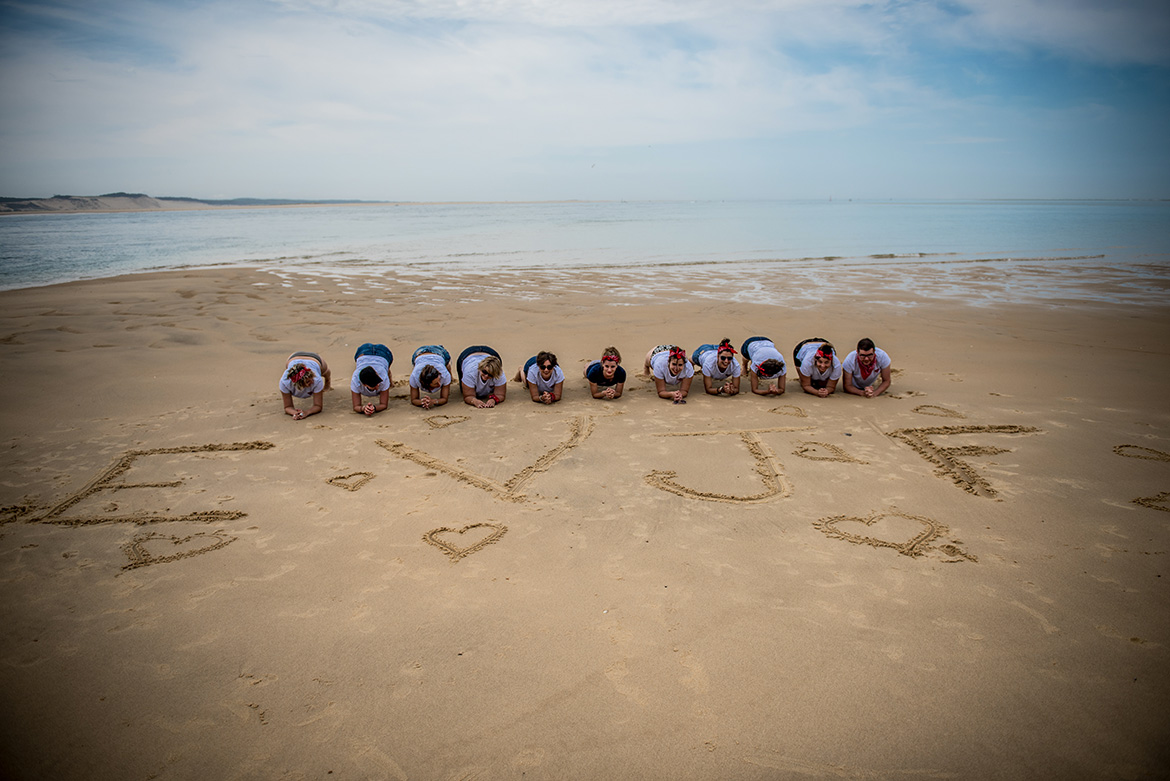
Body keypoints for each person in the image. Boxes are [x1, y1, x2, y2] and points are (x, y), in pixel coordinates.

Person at [278, 351, 331, 420]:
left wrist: (307, 412)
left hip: (314, 358)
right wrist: (294, 413)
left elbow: (318, 406)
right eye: (308, 381)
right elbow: (287, 407)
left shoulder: (316, 379)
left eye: (311, 378)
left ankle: (328, 380)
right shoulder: (284, 383)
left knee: (325, 372)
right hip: (293, 357)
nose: (312, 381)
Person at [350, 343, 392, 416]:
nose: (377, 387)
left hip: (383, 353)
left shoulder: (383, 376)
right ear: (364, 384)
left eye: (378, 383)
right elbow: (356, 406)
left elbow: (384, 405)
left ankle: (389, 375)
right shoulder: (355, 381)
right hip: (363, 353)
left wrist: (374, 408)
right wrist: (363, 408)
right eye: (374, 386)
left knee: (386, 368)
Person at [409, 345, 452, 409]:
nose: (439, 384)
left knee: (447, 367)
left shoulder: (444, 375)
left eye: (439, 380)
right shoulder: (414, 377)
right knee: (416, 367)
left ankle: (447, 366)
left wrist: (433, 401)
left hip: (439, 353)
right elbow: (413, 400)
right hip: (419, 354)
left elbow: (444, 399)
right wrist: (424, 402)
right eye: (435, 383)